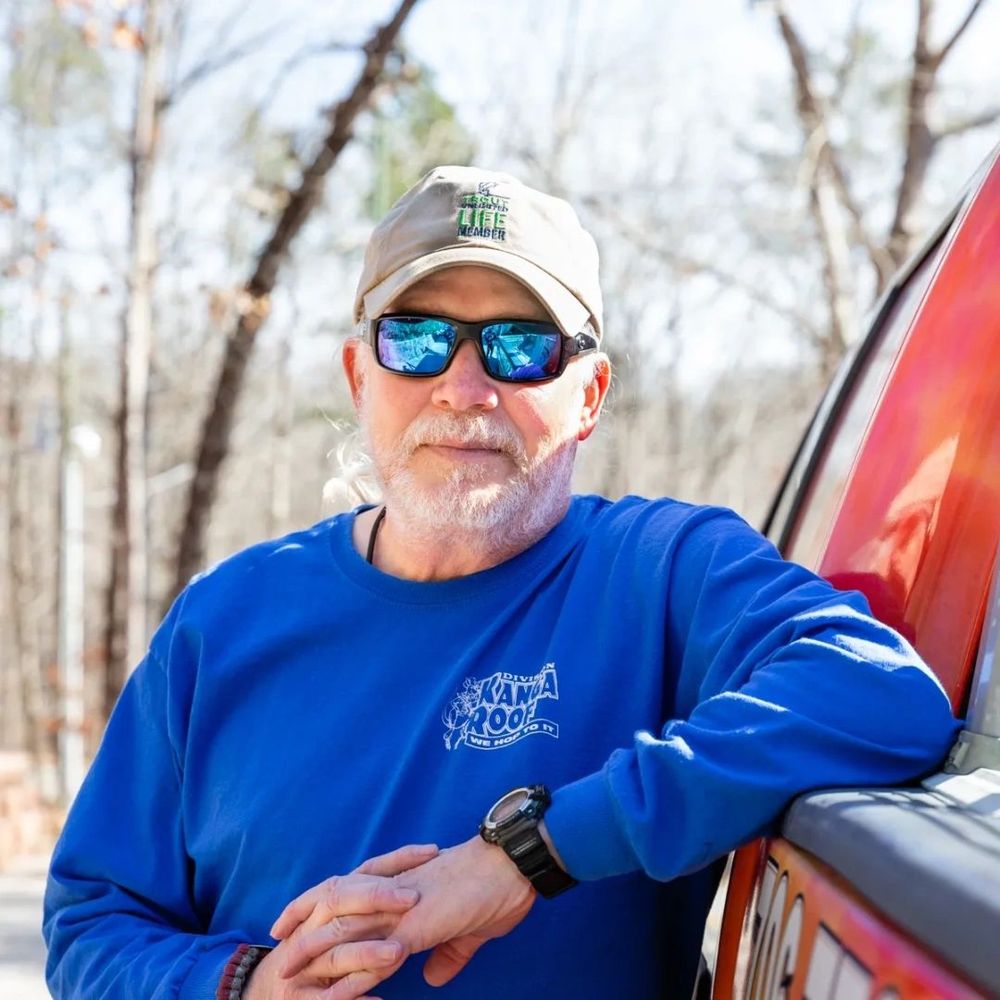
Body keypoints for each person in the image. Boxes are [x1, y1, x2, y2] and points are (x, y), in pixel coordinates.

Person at [43, 166, 958, 1000]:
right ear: (360, 375)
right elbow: (92, 923)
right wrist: (243, 984)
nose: (464, 387)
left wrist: (532, 851)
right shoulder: (222, 623)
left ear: (589, 394)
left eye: (521, 348)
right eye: (418, 339)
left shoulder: (660, 572)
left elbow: (883, 696)